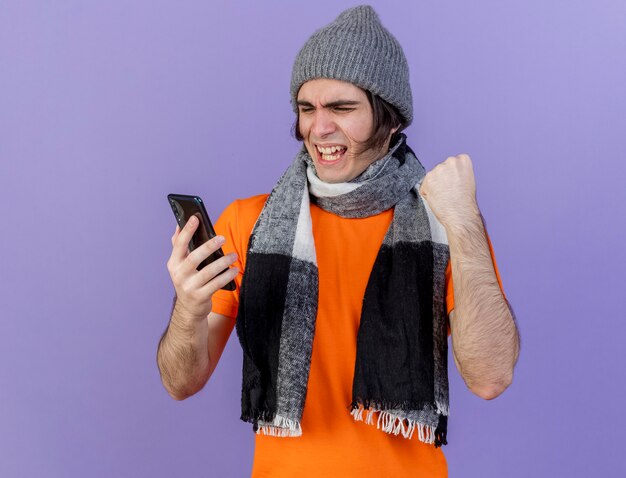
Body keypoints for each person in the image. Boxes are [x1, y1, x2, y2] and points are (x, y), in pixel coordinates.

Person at [157, 5, 520, 477]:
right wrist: (188, 307)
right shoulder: (250, 223)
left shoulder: (444, 221)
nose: (319, 128)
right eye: (307, 109)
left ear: (389, 120)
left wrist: (466, 224)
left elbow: (491, 377)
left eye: (342, 108)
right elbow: (181, 383)